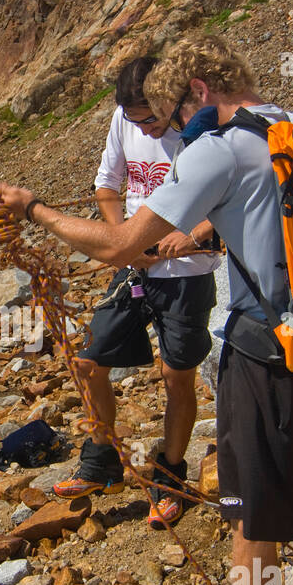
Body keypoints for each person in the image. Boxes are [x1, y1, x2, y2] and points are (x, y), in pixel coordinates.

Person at [0, 36, 293, 585]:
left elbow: (117, 245)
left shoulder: (216, 146)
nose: (171, 128)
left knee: (254, 524)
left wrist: (34, 209)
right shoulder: (292, 126)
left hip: (268, 359)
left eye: (171, 110)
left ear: (197, 86)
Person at [53, 56, 222, 530]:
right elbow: (107, 185)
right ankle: (101, 460)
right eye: (135, 121)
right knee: (89, 363)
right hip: (134, 270)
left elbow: (229, 197)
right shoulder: (124, 119)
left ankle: (170, 477)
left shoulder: (204, 130)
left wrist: (190, 237)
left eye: (152, 118)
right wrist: (122, 239)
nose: (145, 131)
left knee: (177, 376)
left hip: (188, 272)